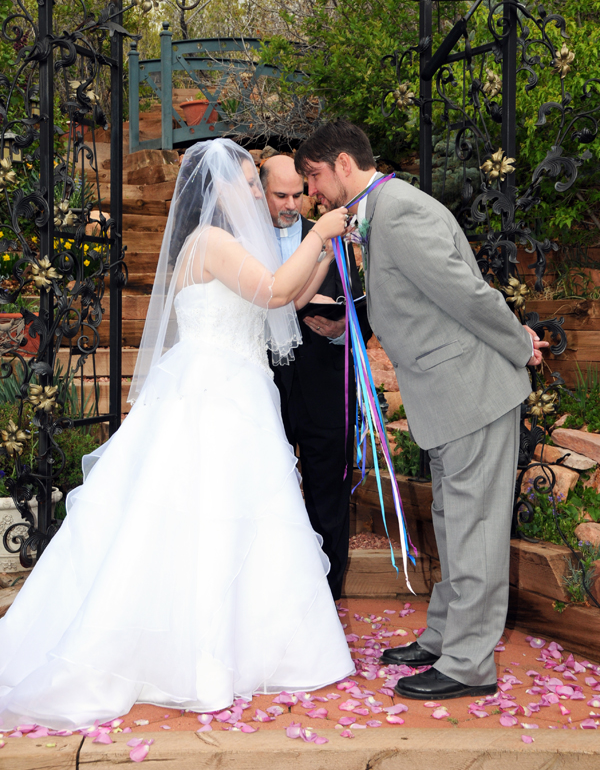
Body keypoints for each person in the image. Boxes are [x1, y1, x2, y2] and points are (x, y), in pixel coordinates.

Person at [0, 139, 354, 732]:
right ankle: (192, 653)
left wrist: (326, 247)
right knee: (204, 519)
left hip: (237, 392)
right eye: (245, 183)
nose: (252, 193)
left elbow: (286, 296)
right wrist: (320, 236)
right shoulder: (211, 243)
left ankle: (241, 648)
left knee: (240, 521)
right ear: (216, 190)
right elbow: (270, 290)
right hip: (213, 397)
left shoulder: (230, 245)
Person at [294, 119, 548, 701]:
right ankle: (444, 638)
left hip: (472, 392)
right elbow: (408, 294)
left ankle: (468, 665)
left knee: (475, 529)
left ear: (341, 164)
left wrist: (518, 343)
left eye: (314, 177)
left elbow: (467, 294)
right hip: (447, 395)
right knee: (453, 524)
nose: (314, 193)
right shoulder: (376, 215)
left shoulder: (400, 212)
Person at [259, 153, 367, 601]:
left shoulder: (335, 238)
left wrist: (347, 328)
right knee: (265, 495)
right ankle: (271, 596)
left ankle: (327, 598)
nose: (291, 204)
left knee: (329, 497)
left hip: (327, 387)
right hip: (261, 393)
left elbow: (365, 301)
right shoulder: (242, 244)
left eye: (298, 195)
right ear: (260, 193)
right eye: (280, 195)